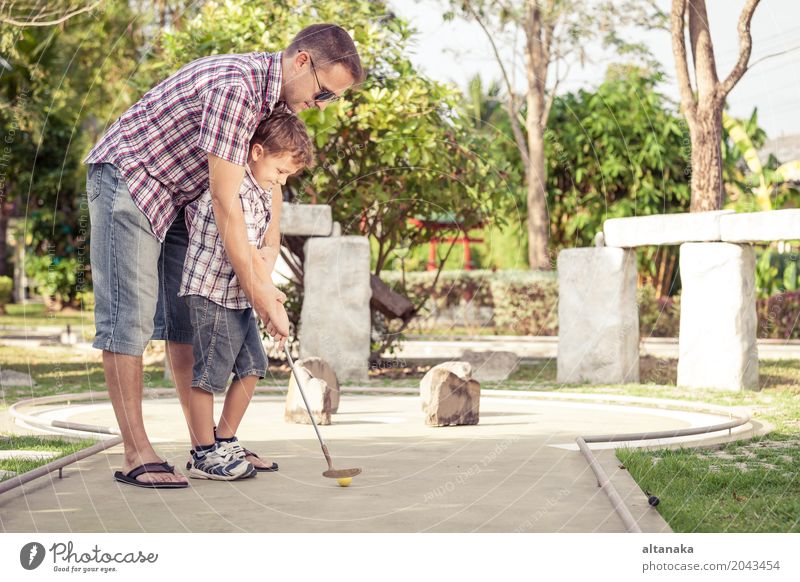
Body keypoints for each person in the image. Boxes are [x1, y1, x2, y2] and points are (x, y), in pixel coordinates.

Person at [84, 24, 364, 488]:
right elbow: (225, 200)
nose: (322, 106)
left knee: (185, 321)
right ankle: (136, 451)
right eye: (324, 94)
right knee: (127, 318)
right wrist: (257, 293)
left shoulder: (275, 102)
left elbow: (268, 192)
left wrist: (266, 279)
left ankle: (206, 447)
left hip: (180, 198)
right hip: (131, 178)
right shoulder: (237, 87)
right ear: (301, 63)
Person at [179, 112, 312, 481]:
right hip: (212, 292)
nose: (281, 181)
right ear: (256, 152)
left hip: (238, 295)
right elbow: (246, 250)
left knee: (253, 366)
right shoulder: (234, 188)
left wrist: (266, 296)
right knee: (209, 376)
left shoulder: (263, 190)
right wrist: (270, 299)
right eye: (280, 171)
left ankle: (225, 440)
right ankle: (203, 453)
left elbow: (267, 244)